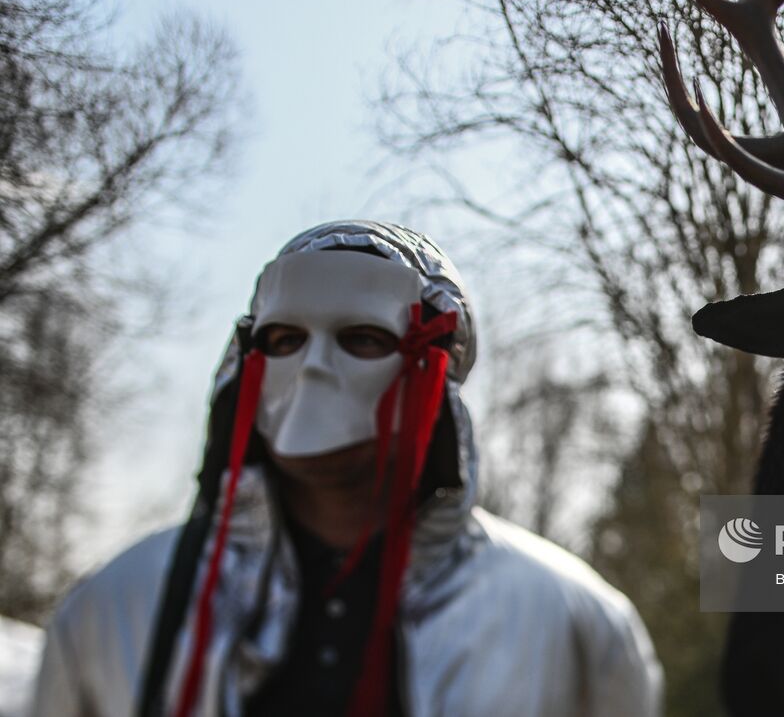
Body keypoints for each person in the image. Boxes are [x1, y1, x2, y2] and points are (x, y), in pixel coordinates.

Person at [30, 221, 662, 717]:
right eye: (284, 341)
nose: (312, 370)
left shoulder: (577, 622)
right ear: (249, 359)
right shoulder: (109, 609)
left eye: (362, 338)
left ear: (431, 368)